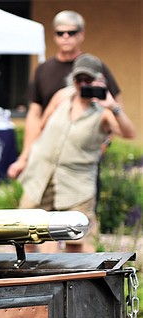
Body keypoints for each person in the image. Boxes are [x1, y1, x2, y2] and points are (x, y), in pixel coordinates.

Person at [12, 55, 135, 253]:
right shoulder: (62, 96)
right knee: (25, 232)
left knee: (75, 239)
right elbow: (41, 127)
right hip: (42, 175)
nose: (82, 85)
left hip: (76, 182)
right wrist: (23, 158)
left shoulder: (103, 111)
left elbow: (129, 133)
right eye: (79, 80)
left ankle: (72, 281)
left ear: (98, 80)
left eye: (88, 80)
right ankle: (30, 278)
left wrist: (114, 107)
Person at [11, 9, 121, 182]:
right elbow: (34, 115)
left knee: (81, 209)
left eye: (71, 32)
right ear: (54, 36)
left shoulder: (95, 67)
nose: (66, 37)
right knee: (41, 206)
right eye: (60, 33)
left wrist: (103, 145)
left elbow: (114, 110)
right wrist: (25, 156)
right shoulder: (43, 70)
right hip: (48, 155)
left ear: (81, 35)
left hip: (82, 161)